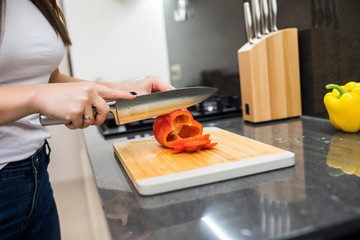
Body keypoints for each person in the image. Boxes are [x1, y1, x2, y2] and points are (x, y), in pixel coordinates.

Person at [0, 0, 174, 239]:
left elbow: (49, 79)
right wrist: (37, 96)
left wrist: (124, 91)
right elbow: (40, 91)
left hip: (36, 172)